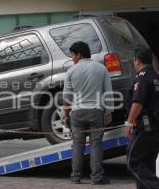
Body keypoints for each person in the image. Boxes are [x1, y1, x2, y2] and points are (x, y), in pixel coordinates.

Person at [62, 41, 113, 185]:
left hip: (77, 113)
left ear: (79, 54)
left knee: (78, 145)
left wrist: (66, 114)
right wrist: (108, 110)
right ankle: (97, 177)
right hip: (96, 112)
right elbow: (107, 92)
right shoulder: (101, 68)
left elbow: (67, 97)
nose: (72, 58)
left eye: (73, 55)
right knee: (96, 145)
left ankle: (76, 177)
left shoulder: (71, 71)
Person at [124, 45, 159, 189]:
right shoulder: (156, 78)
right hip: (155, 127)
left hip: (145, 127)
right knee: (147, 164)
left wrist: (128, 123)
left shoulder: (142, 79)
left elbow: (137, 103)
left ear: (137, 61)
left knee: (133, 161)